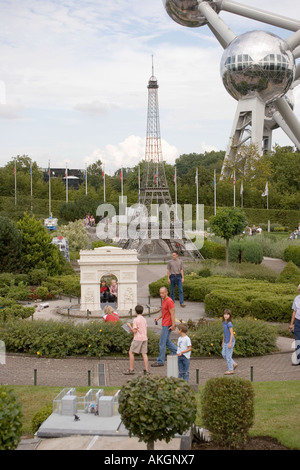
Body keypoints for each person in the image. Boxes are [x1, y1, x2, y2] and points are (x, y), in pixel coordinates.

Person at [151, 286, 177, 367]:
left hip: (167, 324)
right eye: (160, 293)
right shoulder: (164, 300)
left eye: (162, 293)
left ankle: (160, 361)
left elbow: (172, 314)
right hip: (165, 323)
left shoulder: (169, 301)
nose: (161, 294)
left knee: (162, 343)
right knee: (166, 341)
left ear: (167, 292)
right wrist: (158, 317)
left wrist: (173, 325)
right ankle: (178, 352)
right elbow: (165, 312)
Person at [124, 305, 149, 375]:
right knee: (144, 354)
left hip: (138, 338)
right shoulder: (144, 319)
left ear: (135, 311)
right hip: (144, 338)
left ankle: (131, 369)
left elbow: (135, 331)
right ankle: (147, 370)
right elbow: (140, 329)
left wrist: (129, 326)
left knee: (131, 352)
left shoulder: (135, 320)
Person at [222, 309, 238, 375]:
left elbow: (231, 334)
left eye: (227, 314)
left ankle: (231, 370)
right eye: (225, 314)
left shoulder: (229, 324)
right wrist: (223, 341)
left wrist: (230, 343)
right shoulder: (224, 323)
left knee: (228, 356)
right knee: (223, 354)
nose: (226, 315)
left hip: (230, 341)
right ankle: (233, 363)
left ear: (230, 316)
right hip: (225, 341)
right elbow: (224, 333)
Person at [289, 284, 300, 365]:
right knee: (297, 341)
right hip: (298, 322)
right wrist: (291, 324)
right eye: (299, 290)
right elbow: (294, 312)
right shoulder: (296, 298)